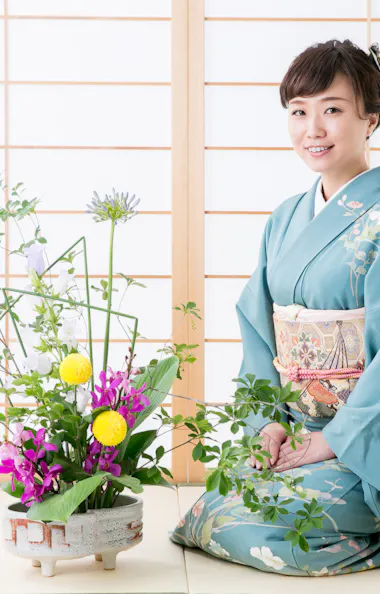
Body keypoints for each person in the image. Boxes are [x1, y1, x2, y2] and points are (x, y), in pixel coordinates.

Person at [169, 39, 380, 577]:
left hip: (360, 439)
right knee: (209, 510)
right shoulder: (285, 218)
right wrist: (267, 424)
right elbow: (259, 333)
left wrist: (330, 441)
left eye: (332, 109)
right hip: (294, 433)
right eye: (299, 112)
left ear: (371, 119)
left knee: (273, 522)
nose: (314, 129)